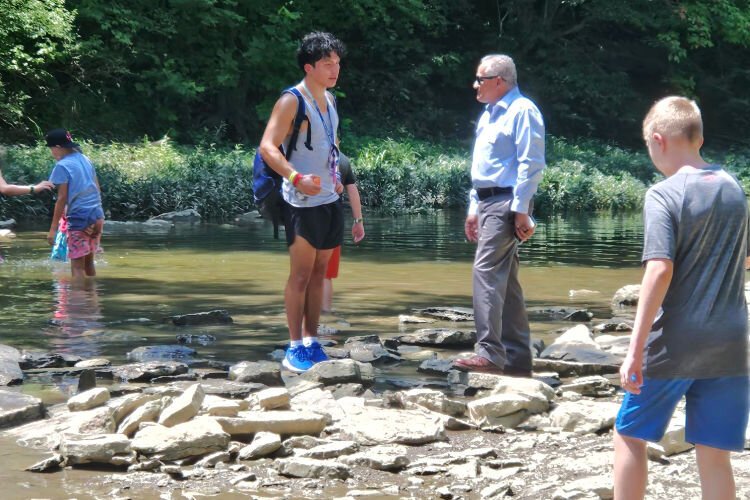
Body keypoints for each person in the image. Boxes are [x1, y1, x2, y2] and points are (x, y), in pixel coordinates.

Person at [614, 96, 749, 500]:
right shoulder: (733, 187)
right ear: (699, 136)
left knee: (629, 435)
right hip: (730, 343)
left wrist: (634, 350)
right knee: (714, 454)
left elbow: (659, 269)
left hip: (675, 343)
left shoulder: (663, 194)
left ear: (658, 140)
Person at [258, 32, 346, 373]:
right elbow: (267, 146)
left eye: (337, 63)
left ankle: (312, 341)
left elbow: (332, 141)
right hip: (299, 202)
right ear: (309, 67)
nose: (335, 69)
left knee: (321, 274)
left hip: (329, 200)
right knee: (300, 275)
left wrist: (336, 175)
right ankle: (293, 346)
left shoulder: (331, 99)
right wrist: (295, 178)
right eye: (327, 64)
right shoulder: (292, 99)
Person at [453, 54, 545, 376]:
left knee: (486, 272)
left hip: (507, 203)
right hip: (488, 202)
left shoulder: (523, 111)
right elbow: (483, 169)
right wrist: (472, 209)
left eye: (480, 79)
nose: (474, 85)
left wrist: (521, 209)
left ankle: (490, 353)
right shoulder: (488, 114)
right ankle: (518, 361)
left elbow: (530, 164)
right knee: (507, 283)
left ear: (499, 81)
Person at [45, 129, 105, 280]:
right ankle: (92, 301)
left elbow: (62, 198)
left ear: (57, 147)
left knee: (77, 267)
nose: (51, 152)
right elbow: (97, 188)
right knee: (89, 264)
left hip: (80, 218)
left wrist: (52, 230)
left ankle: (78, 303)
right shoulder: (85, 159)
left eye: (51, 148)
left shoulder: (62, 166)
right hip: (97, 215)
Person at [322, 153, 365, 313]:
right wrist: (358, 222)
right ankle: (325, 315)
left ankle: (307, 321)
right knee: (326, 275)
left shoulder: (306, 153)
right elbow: (352, 192)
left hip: (307, 216)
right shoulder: (342, 159)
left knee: (305, 271)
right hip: (334, 219)